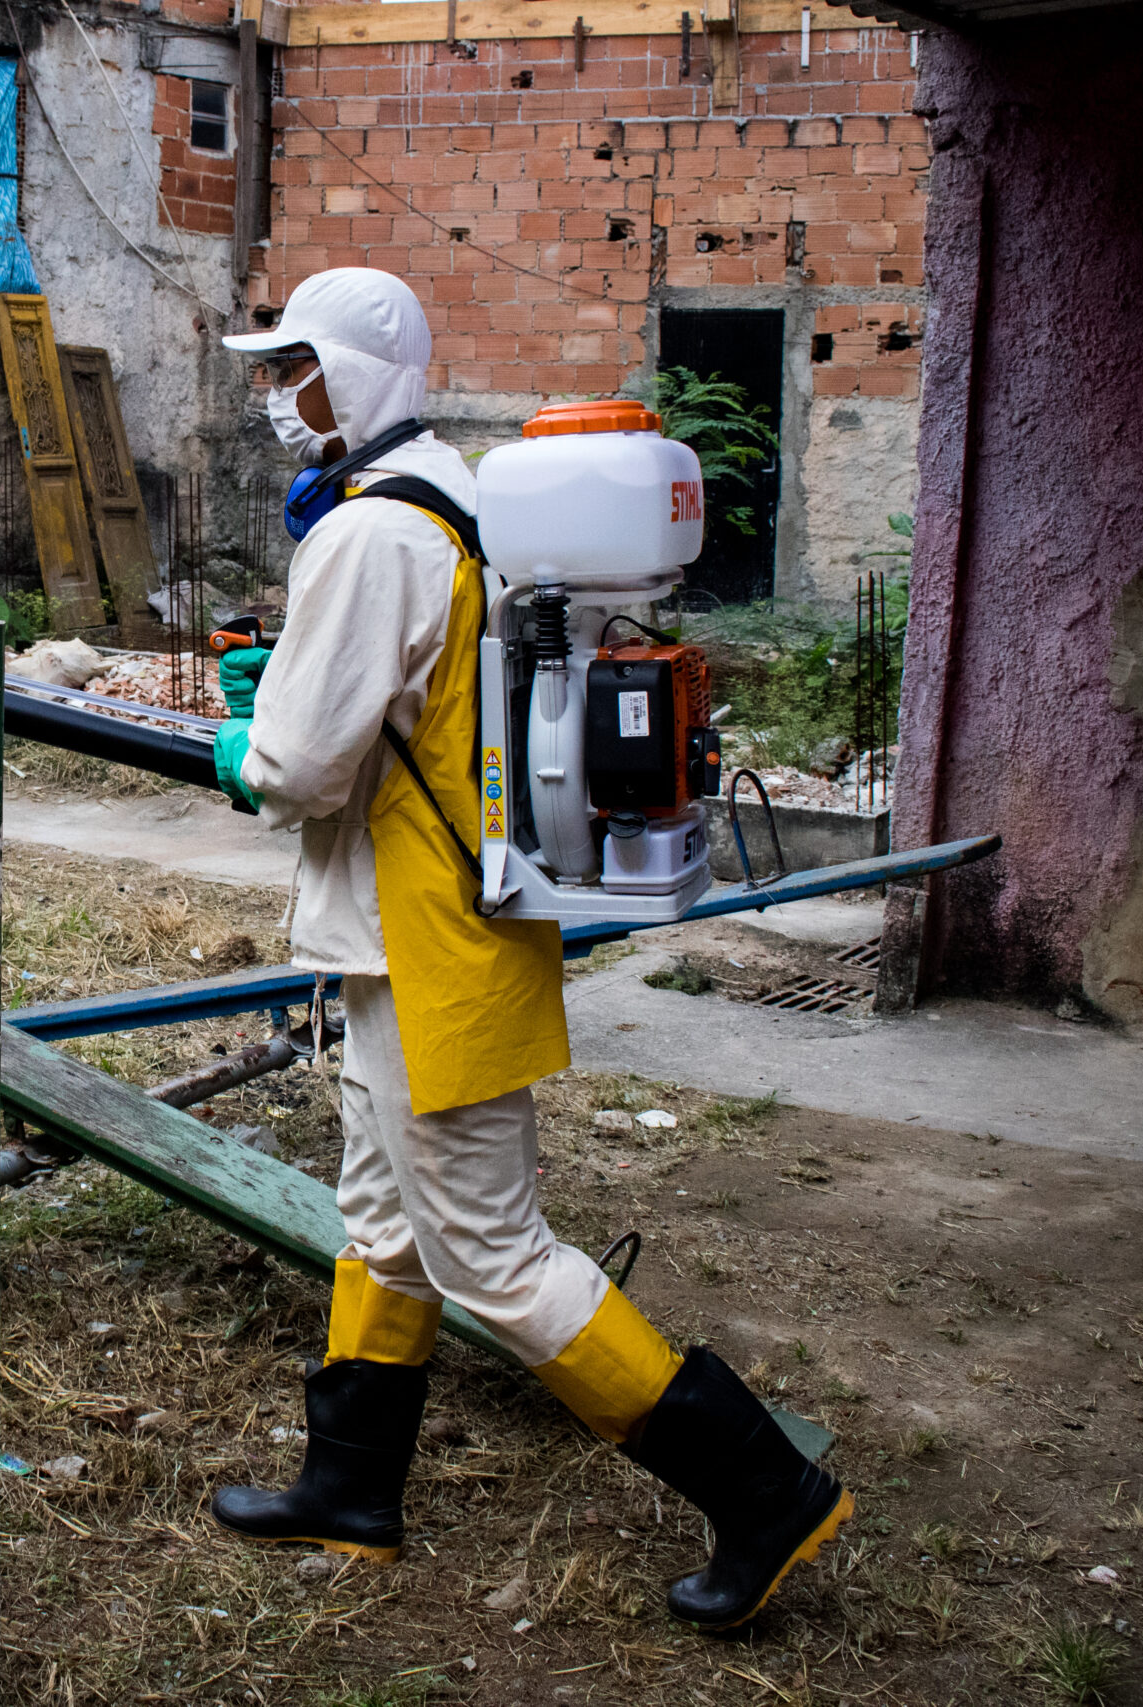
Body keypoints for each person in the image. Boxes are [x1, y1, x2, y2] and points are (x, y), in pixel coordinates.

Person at [206, 268, 850, 1631]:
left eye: (294, 366)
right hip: (428, 922)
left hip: (428, 938)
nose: (277, 394)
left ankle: (766, 1490)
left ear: (360, 370)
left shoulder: (376, 534)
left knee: (492, 1252)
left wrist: (242, 743)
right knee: (382, 1218)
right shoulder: (455, 494)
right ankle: (351, 1485)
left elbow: (304, 766)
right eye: (271, 370)